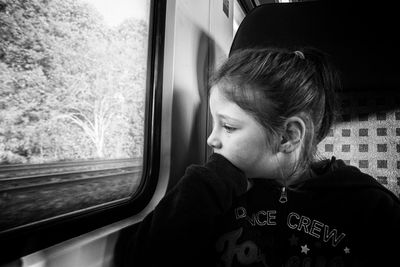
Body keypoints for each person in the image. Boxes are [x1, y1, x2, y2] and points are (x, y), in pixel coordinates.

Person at [121, 47, 400, 267]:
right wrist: (207, 182)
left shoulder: (366, 205)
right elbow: (142, 258)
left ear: (286, 136)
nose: (211, 139)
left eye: (228, 127)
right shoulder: (215, 193)